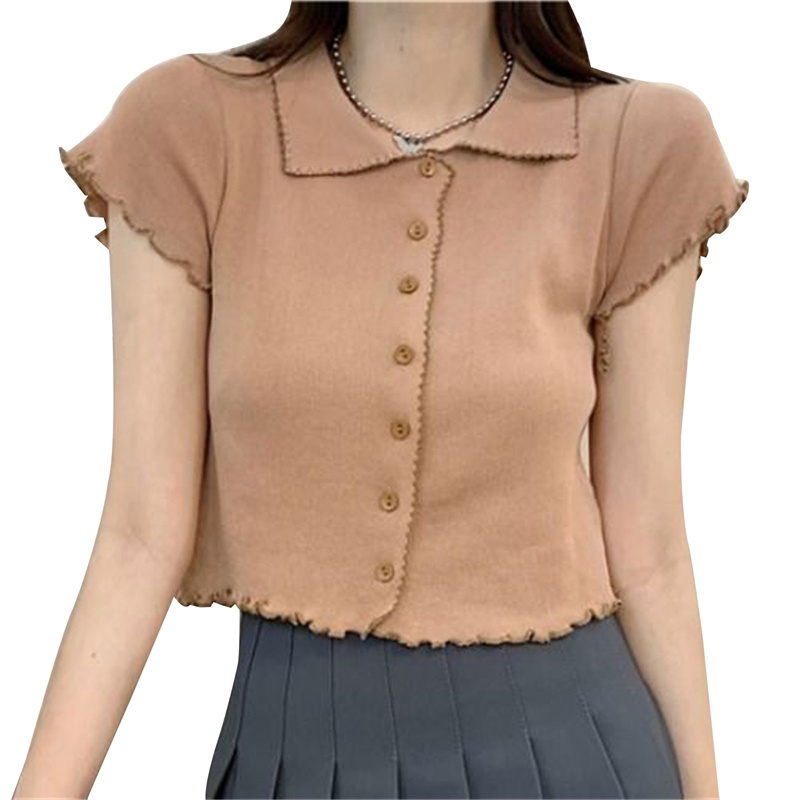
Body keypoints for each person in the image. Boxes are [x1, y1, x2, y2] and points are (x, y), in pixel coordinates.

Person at [16, 2, 749, 798]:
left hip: (573, 755)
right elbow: (138, 536)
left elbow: (651, 550)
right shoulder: (190, 127)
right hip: (290, 763)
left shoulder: (639, 144)